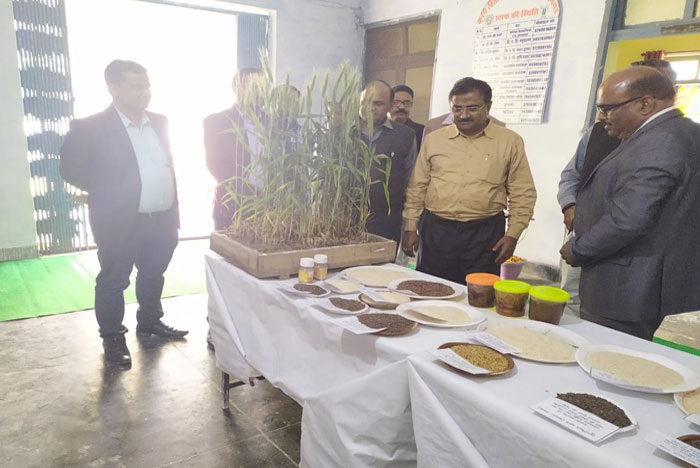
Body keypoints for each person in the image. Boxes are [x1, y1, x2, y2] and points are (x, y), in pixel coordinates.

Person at [60, 60, 188, 369]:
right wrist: (109, 191)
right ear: (113, 88)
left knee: (153, 274)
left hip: (162, 218)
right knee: (114, 281)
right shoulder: (90, 127)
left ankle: (150, 320)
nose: (145, 92)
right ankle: (113, 338)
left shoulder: (159, 121)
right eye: (136, 86)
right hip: (120, 221)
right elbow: (70, 170)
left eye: (147, 85)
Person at [560, 66, 700, 340]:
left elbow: (628, 219)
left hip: (627, 285)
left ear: (645, 104)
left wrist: (577, 249)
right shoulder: (679, 132)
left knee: (606, 351)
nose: (602, 117)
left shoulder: (660, 142)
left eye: (607, 108)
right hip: (640, 279)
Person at [402, 77, 536, 284]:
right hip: (437, 232)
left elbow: (522, 192)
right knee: (431, 289)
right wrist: (410, 227)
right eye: (457, 109)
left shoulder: (510, 142)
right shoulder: (434, 140)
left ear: (488, 106)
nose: (463, 115)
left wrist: (513, 234)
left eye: (472, 108)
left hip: (485, 235)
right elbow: (417, 187)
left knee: (479, 293)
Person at [360, 80, 417, 246]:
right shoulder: (344, 133)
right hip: (344, 219)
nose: (371, 108)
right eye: (365, 102)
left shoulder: (406, 135)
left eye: (378, 103)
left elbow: (411, 182)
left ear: (391, 105)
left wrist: (410, 226)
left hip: (386, 221)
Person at [204, 68, 261, 230]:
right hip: (233, 207)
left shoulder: (272, 123)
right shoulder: (217, 121)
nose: (259, 92)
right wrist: (253, 194)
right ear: (237, 89)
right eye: (254, 86)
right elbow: (215, 165)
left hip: (269, 211)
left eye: (262, 87)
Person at [390, 85, 425, 150]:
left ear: (411, 104)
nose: (401, 107)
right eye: (396, 102)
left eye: (406, 103)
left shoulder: (421, 132)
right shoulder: (378, 129)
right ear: (389, 103)